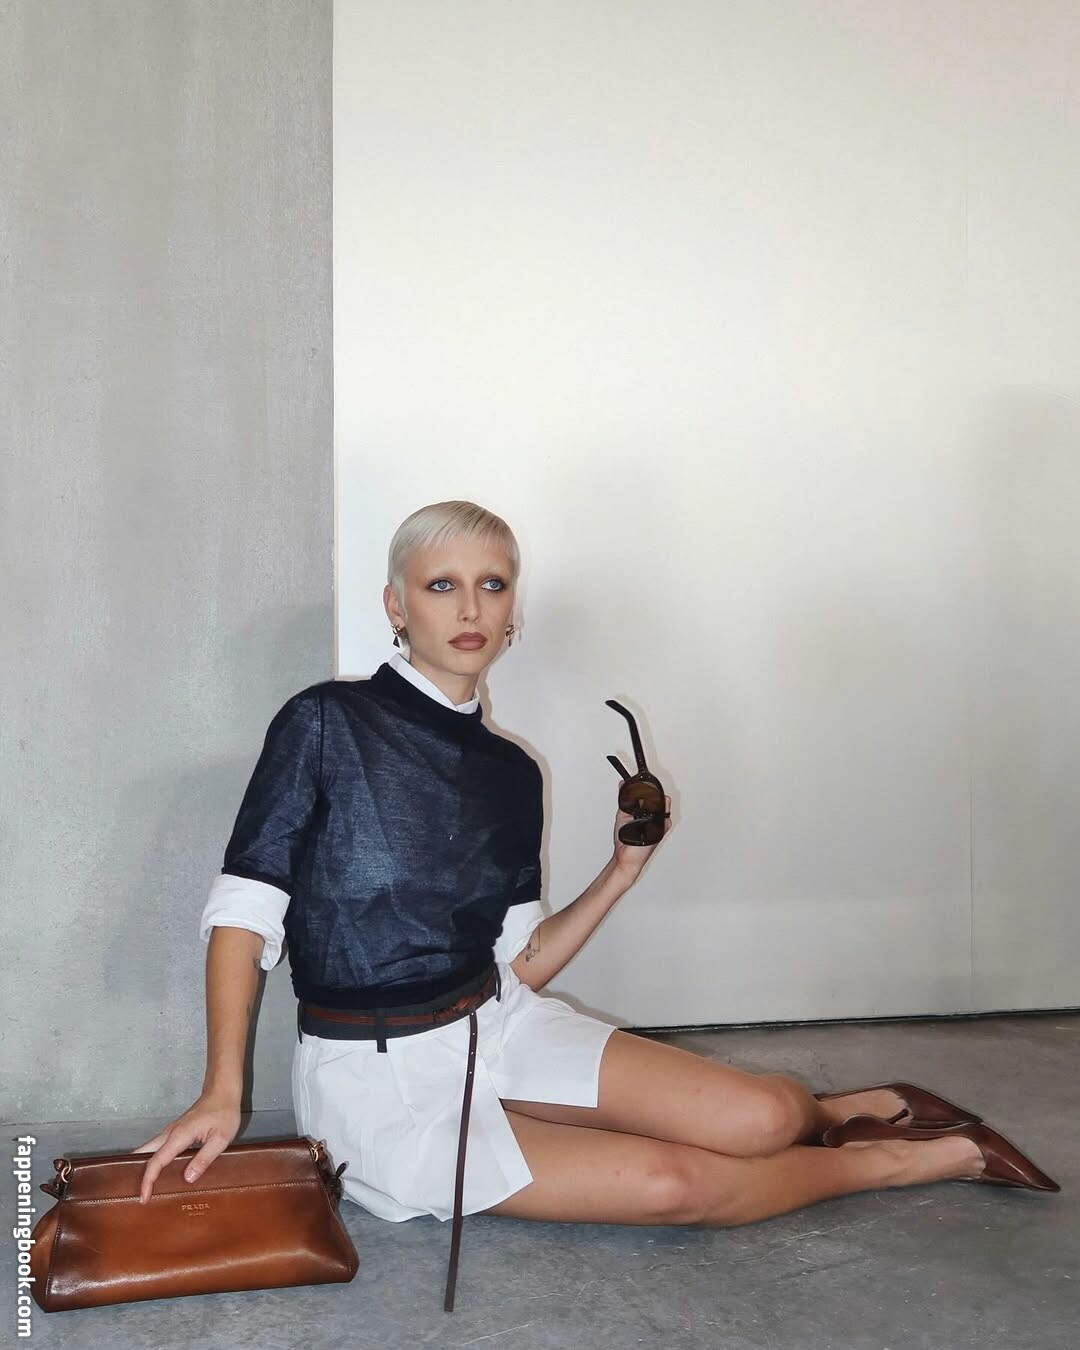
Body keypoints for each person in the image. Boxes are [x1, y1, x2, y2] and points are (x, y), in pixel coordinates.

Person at [134, 500, 1057, 1298]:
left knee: (766, 1119)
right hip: (376, 1086)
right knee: (677, 1185)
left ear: (513, 612)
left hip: (496, 1028)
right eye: (441, 585)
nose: (469, 608)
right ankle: (896, 1161)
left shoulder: (512, 774)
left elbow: (521, 964)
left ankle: (843, 1107)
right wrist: (223, 1090)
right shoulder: (324, 724)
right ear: (396, 606)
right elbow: (244, 914)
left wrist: (620, 872)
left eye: (492, 586)